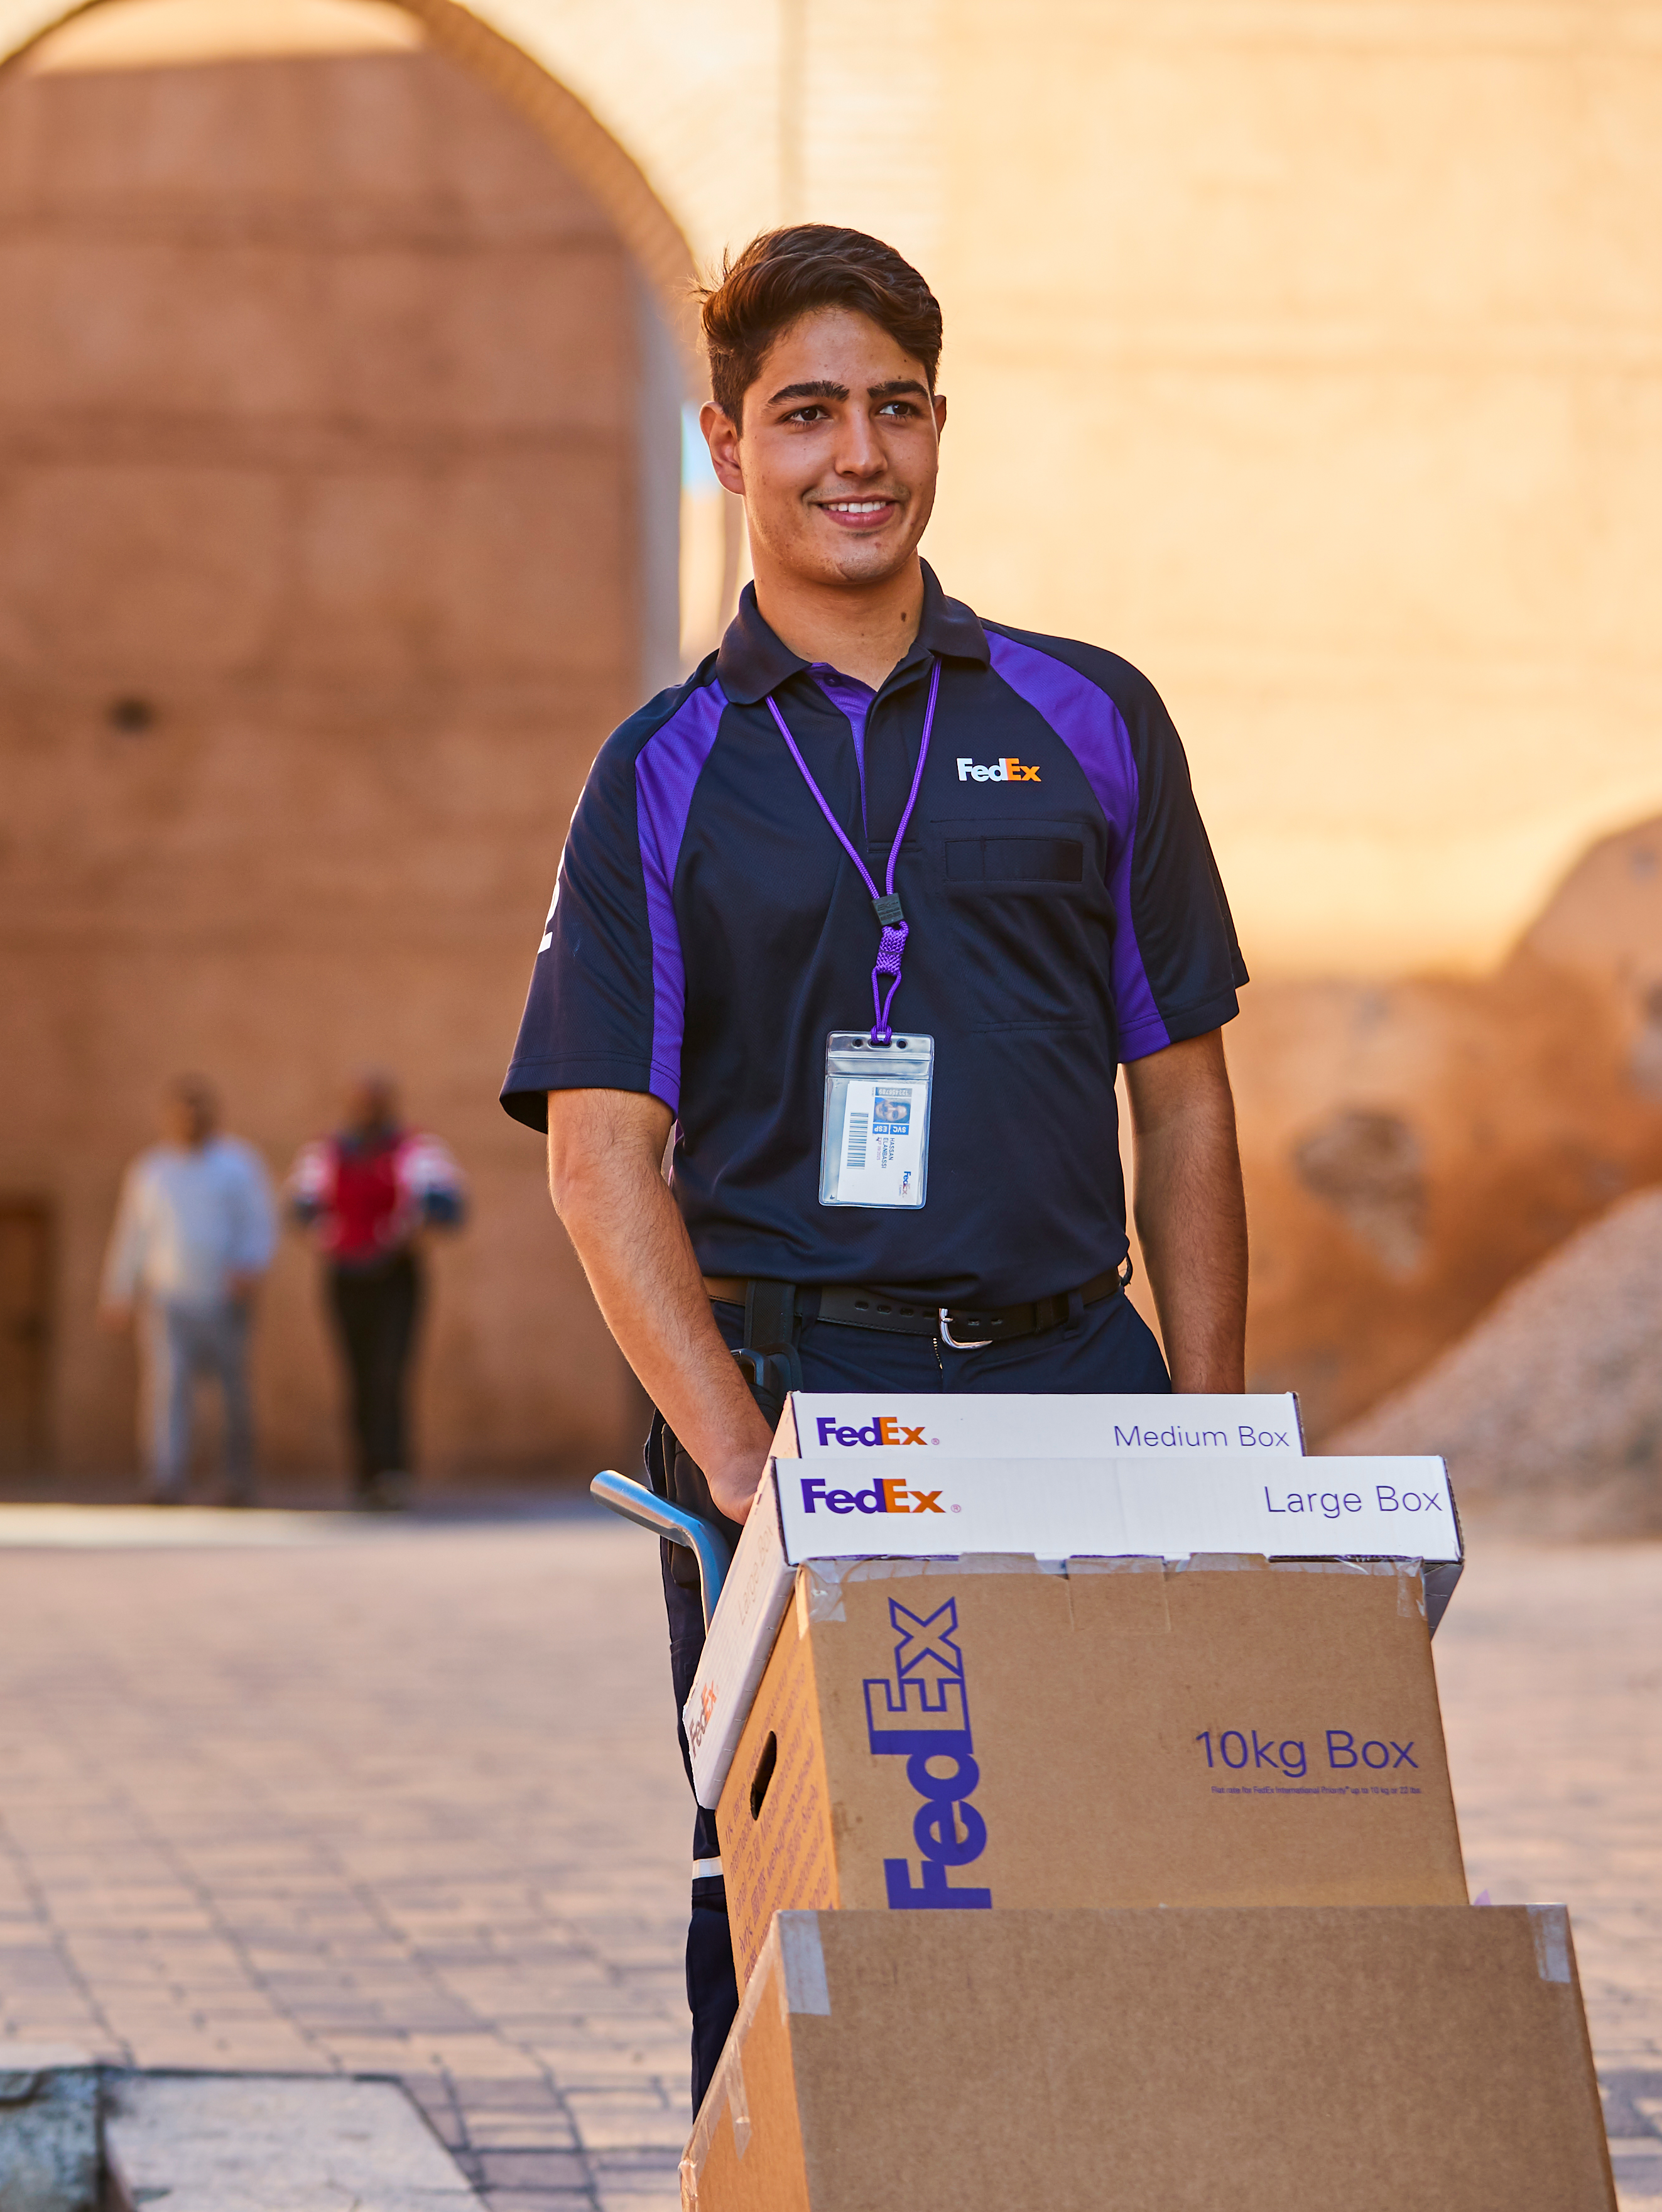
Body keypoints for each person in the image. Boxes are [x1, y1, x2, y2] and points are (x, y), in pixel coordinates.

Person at [499, 226, 1251, 2108]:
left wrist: (1213, 1438)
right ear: (727, 440)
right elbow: (601, 1160)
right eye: (808, 409)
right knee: (795, 1908)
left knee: (1121, 1879)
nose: (860, 453)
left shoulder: (1087, 719)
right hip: (796, 1400)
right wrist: (751, 1474)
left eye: (897, 408)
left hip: (1079, 1376)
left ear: (940, 426)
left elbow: (1186, 1104)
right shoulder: (663, 770)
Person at [286, 1072, 467, 1509]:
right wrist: (322, 1230)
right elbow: (299, 1206)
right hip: (345, 1277)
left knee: (391, 1373)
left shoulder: (416, 1151)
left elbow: (450, 1205)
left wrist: (422, 1223)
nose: (367, 1109)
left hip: (396, 1274)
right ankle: (364, 1475)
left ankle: (393, 1472)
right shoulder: (326, 1152)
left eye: (375, 1100)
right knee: (358, 1377)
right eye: (361, 1100)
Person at [100, 1076, 278, 1505]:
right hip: (168, 1298)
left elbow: (259, 1221)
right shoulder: (152, 1171)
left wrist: (249, 1265)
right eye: (182, 1114)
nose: (190, 1122)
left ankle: (236, 1481)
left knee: (232, 1392)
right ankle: (165, 1478)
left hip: (225, 1296)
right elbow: (134, 1234)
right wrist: (118, 1291)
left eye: (198, 1112)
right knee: (167, 1389)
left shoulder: (237, 1165)